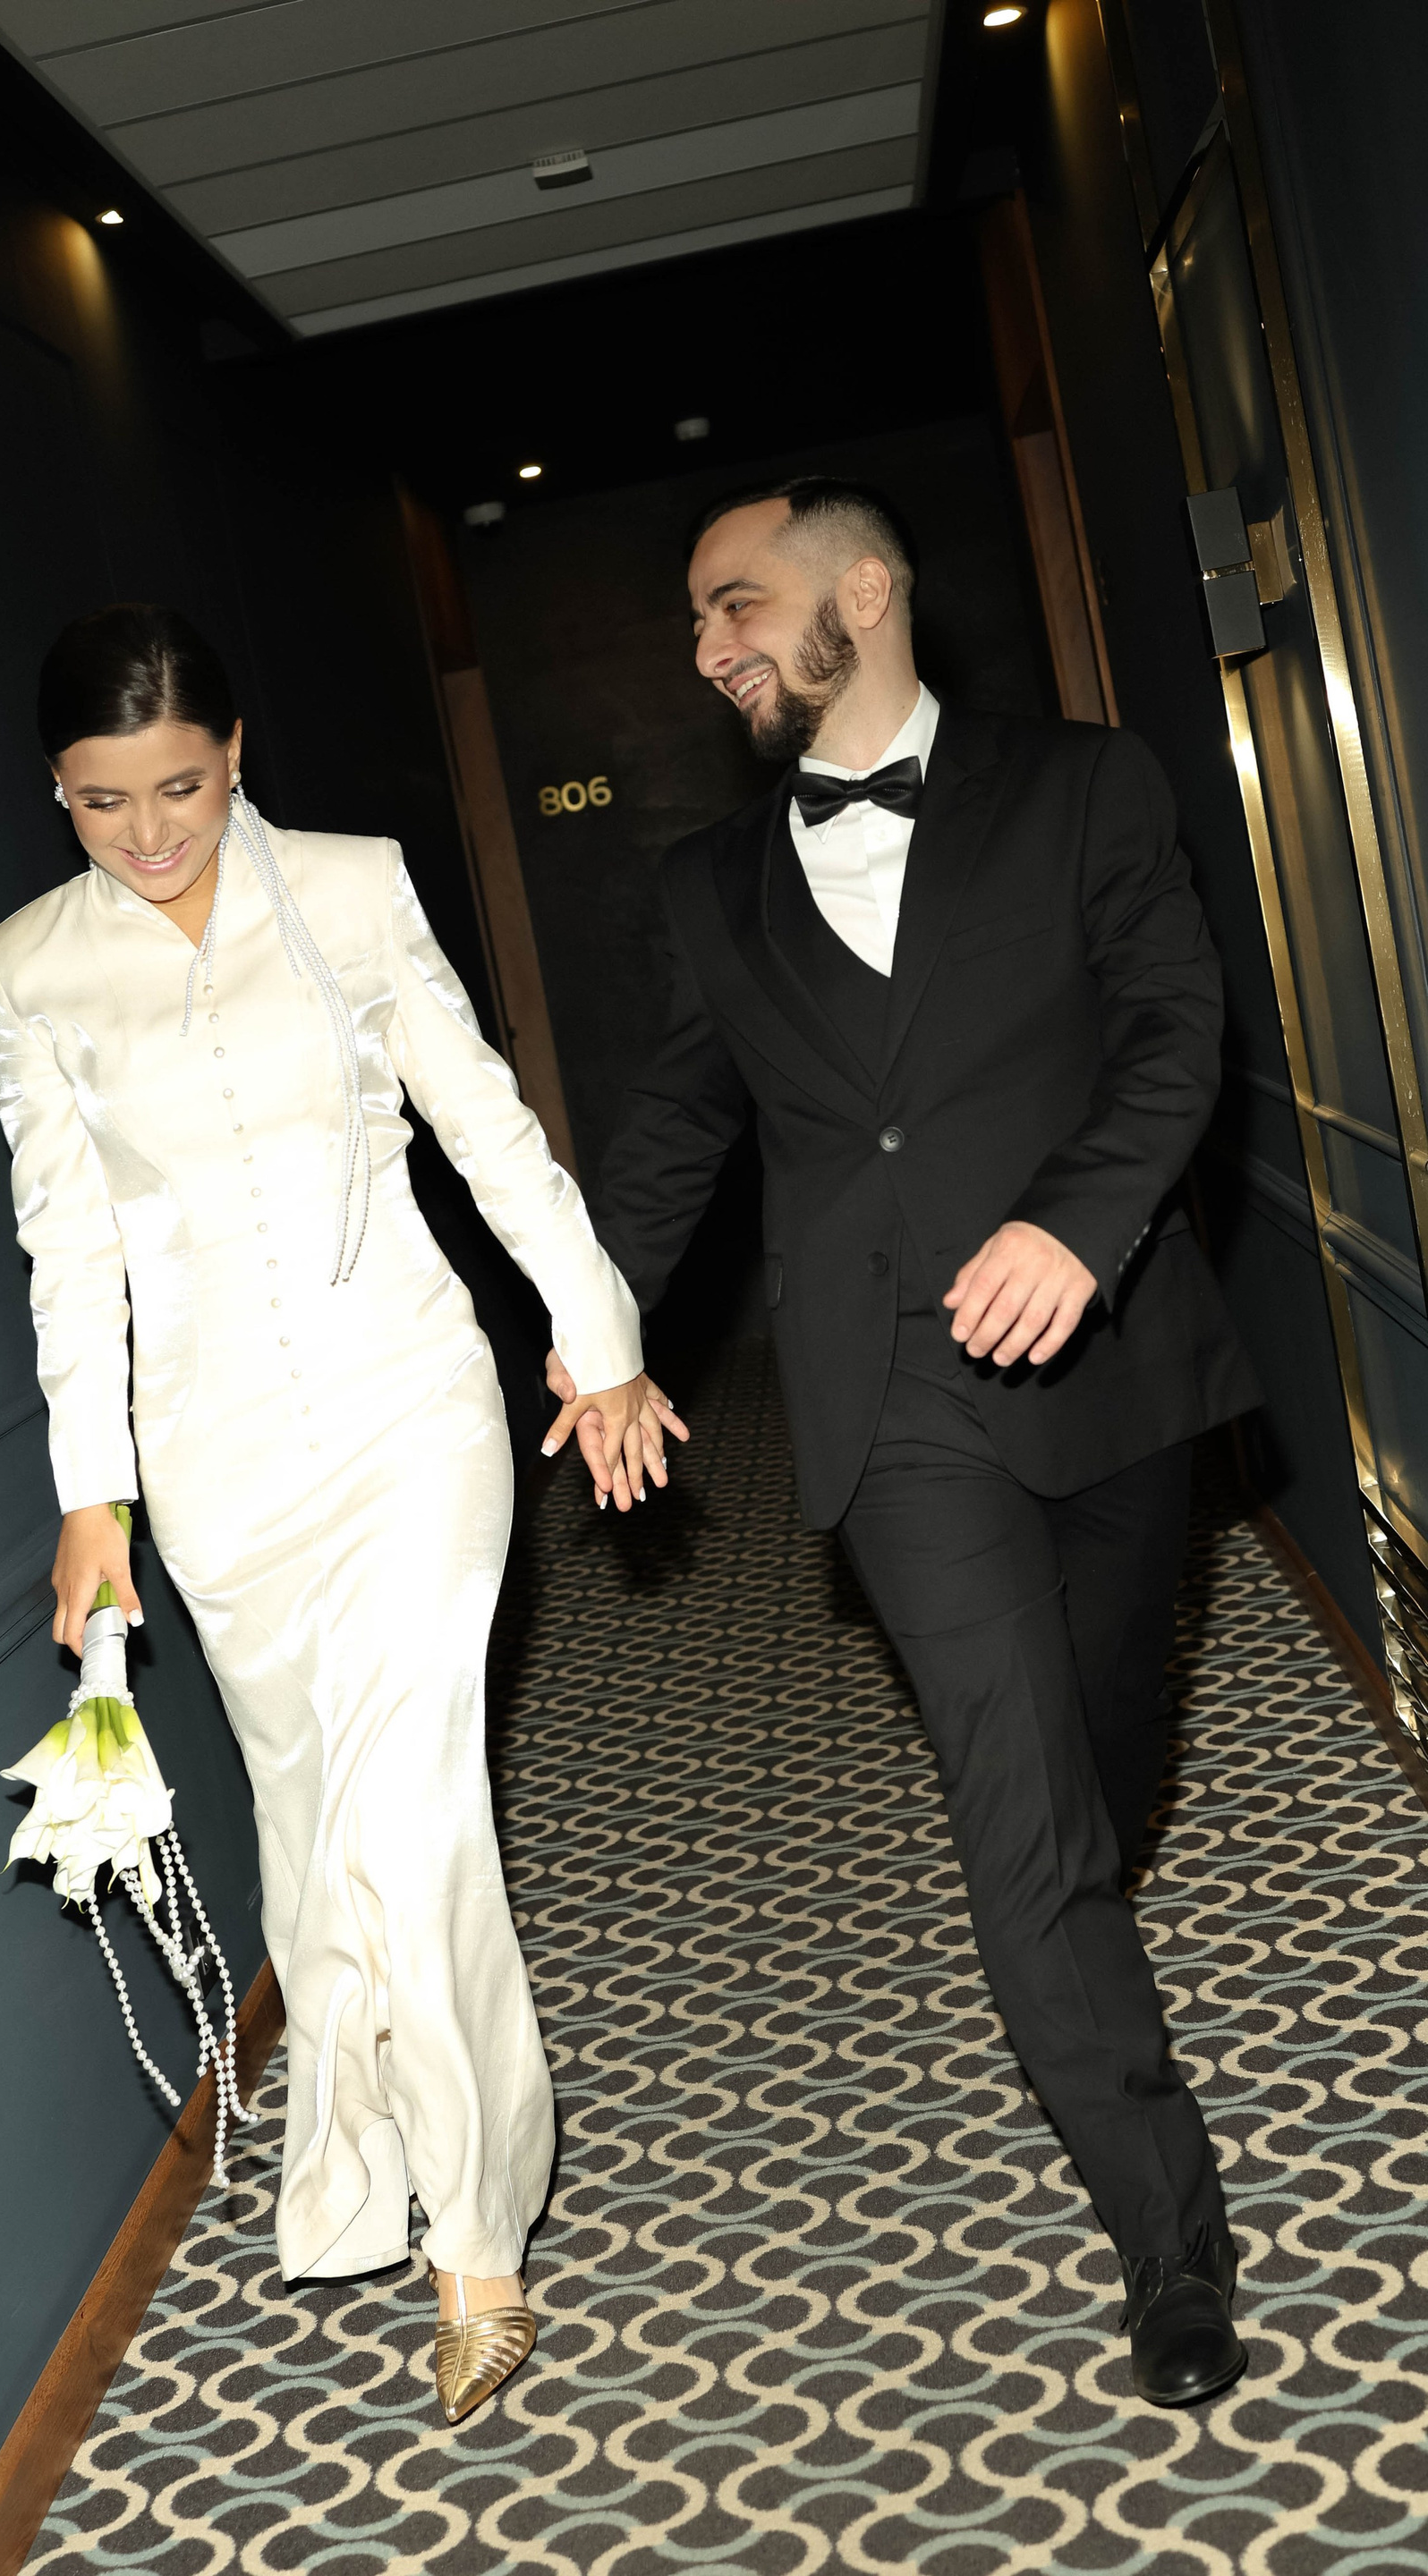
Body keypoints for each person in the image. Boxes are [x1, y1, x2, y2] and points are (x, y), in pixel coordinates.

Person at [562, 479, 1262, 2406]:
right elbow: (675, 1131)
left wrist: (1081, 1225)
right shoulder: (710, 886)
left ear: (863, 589)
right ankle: (1169, 2240)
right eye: (696, 623)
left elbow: (1175, 1029)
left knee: (1103, 1753)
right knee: (1013, 1796)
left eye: (734, 605)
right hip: (889, 1399)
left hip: (1098, 1354)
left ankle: (1084, 1881)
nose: (707, 649)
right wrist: (594, 1333)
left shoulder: (1085, 785)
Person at [0, 603, 677, 2424]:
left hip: (410, 1417)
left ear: (235, 756)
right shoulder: (30, 967)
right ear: (56, 790)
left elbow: (486, 1124)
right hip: (218, 1469)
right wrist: (92, 1496)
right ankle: (359, 2168)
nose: (149, 832)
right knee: (314, 1828)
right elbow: (69, 1254)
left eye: (183, 786)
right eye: (103, 800)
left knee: (413, 1812)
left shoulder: (354, 887)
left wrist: (598, 1337)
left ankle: (474, 2232)